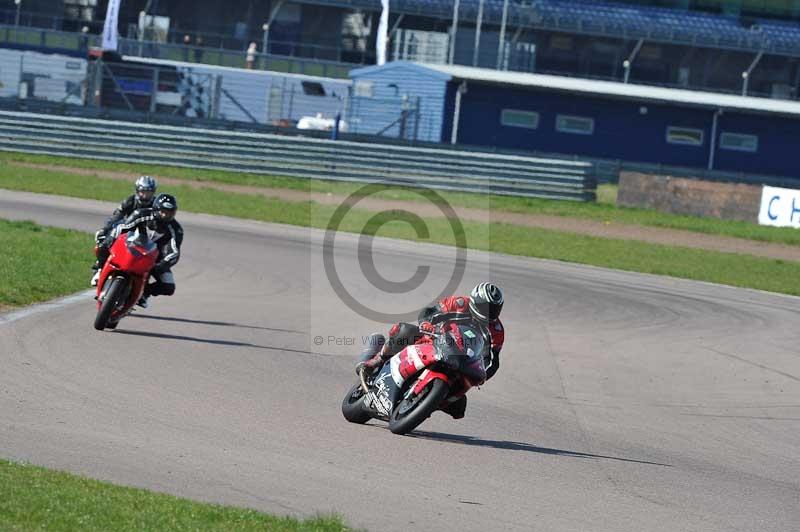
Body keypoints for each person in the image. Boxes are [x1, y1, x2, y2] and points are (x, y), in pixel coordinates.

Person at [357, 282, 505, 419]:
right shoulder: (459, 303)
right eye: (486, 307)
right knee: (404, 331)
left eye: (494, 309)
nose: (489, 312)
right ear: (475, 301)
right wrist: (427, 323)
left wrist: (482, 374)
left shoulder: (496, 330)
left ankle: (425, 403)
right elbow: (429, 312)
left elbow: (492, 361)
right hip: (435, 340)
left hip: (462, 361)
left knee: (459, 408)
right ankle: (377, 360)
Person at [94, 194, 183, 309]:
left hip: (154, 260)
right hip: (132, 248)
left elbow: (174, 251)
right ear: (156, 209)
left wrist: (161, 265)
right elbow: (123, 227)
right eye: (163, 211)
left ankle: (144, 294)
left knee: (169, 287)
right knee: (102, 247)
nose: (165, 215)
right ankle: (100, 269)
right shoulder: (141, 214)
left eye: (170, 212)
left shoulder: (176, 229)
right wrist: (109, 240)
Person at [91, 176, 158, 286]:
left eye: (148, 192)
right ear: (137, 190)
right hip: (127, 229)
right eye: (143, 192)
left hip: (146, 235)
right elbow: (116, 216)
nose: (145, 195)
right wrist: (105, 229)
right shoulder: (130, 200)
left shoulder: (156, 205)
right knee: (104, 243)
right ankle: (99, 269)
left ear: (153, 192)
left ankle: (143, 289)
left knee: (152, 259)